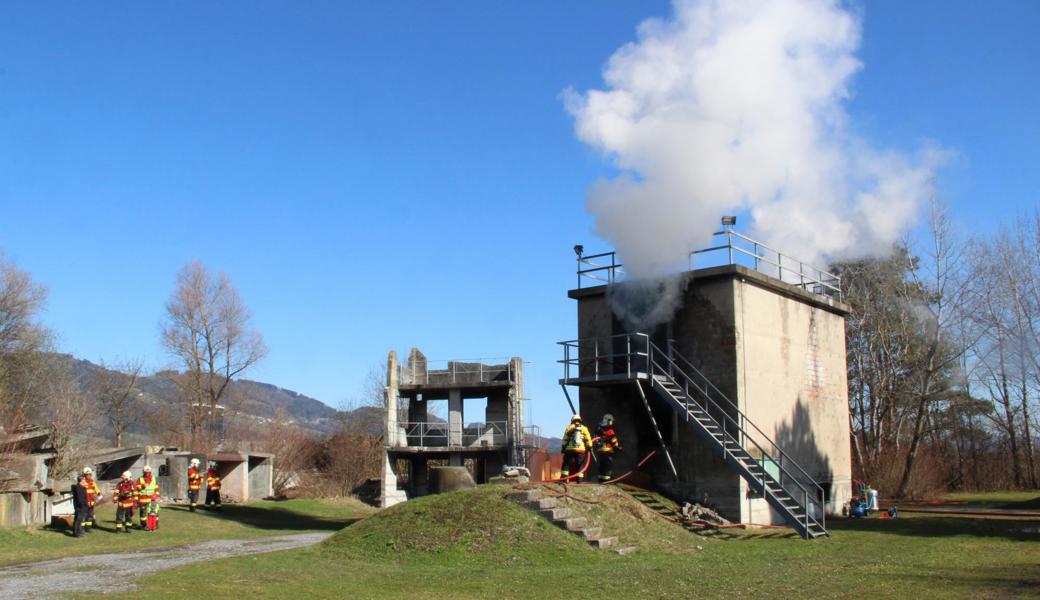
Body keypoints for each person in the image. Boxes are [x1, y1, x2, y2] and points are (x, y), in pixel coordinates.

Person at [560, 414, 592, 483]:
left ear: (572, 420)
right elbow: (588, 439)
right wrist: (589, 446)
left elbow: (565, 439)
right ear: (580, 420)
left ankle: (564, 479)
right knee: (580, 464)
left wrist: (563, 447)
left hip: (570, 450)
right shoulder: (584, 428)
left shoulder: (569, 427)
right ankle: (579, 480)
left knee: (566, 463)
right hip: (581, 450)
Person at [593, 413, 623, 483]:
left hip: (600, 451)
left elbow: (595, 439)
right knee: (607, 466)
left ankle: (601, 480)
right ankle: (607, 481)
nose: (612, 422)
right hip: (608, 451)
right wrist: (617, 447)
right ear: (608, 421)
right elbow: (613, 440)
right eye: (611, 421)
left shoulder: (599, 429)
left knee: (602, 466)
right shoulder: (609, 430)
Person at [134, 465, 160, 530]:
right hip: (143, 499)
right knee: (143, 514)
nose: (147, 474)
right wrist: (142, 486)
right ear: (143, 472)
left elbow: (156, 487)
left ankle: (155, 525)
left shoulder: (154, 478)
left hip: (152, 500)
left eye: (149, 472)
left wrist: (157, 495)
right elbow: (136, 488)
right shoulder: (140, 479)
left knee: (154, 513)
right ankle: (143, 526)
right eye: (146, 472)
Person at [81, 467, 102, 532]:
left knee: (90, 516)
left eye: (90, 474)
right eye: (87, 475)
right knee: (83, 516)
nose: (89, 476)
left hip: (91, 503)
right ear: (84, 475)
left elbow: (97, 489)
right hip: (85, 503)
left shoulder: (92, 482)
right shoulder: (82, 483)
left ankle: (88, 528)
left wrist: (99, 494)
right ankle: (81, 528)